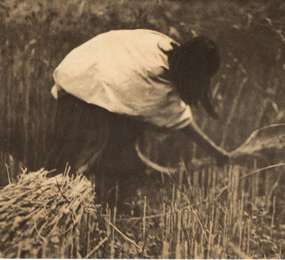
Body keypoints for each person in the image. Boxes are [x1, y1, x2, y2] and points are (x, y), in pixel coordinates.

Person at [45, 29, 230, 204]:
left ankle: (101, 201)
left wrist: (216, 153)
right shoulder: (149, 73)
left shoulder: (166, 49)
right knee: (75, 159)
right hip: (84, 82)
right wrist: (216, 153)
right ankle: (57, 202)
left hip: (85, 67)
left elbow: (181, 119)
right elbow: (179, 121)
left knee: (112, 152)